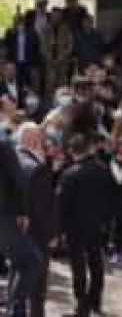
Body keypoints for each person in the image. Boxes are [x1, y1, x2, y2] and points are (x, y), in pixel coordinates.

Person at [57, 133, 115, 317]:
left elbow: (62, 204)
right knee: (96, 262)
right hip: (98, 224)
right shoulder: (103, 169)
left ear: (72, 151)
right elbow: (112, 198)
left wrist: (59, 228)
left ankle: (82, 305)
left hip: (75, 226)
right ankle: (95, 301)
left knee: (78, 265)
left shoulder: (70, 173)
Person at [16, 122, 58, 317]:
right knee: (37, 287)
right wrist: (52, 234)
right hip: (36, 234)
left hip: (12, 231)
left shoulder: (10, 161)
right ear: (33, 140)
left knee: (17, 281)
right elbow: (43, 209)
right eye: (40, 138)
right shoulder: (37, 169)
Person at [0, 134, 42, 317]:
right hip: (3, 214)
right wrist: (22, 211)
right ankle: (15, 312)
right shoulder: (3, 144)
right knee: (30, 261)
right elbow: (19, 180)